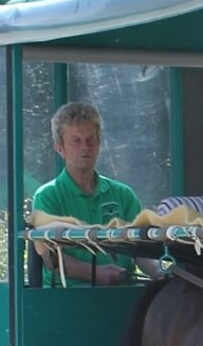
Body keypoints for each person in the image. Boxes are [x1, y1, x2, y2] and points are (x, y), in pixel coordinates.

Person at [31, 102, 143, 286]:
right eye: (76, 141)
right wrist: (97, 274)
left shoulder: (123, 194)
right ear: (60, 148)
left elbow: (141, 250)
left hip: (125, 294)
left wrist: (163, 272)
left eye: (91, 139)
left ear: (99, 143)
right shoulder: (47, 195)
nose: (85, 147)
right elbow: (51, 258)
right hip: (67, 299)